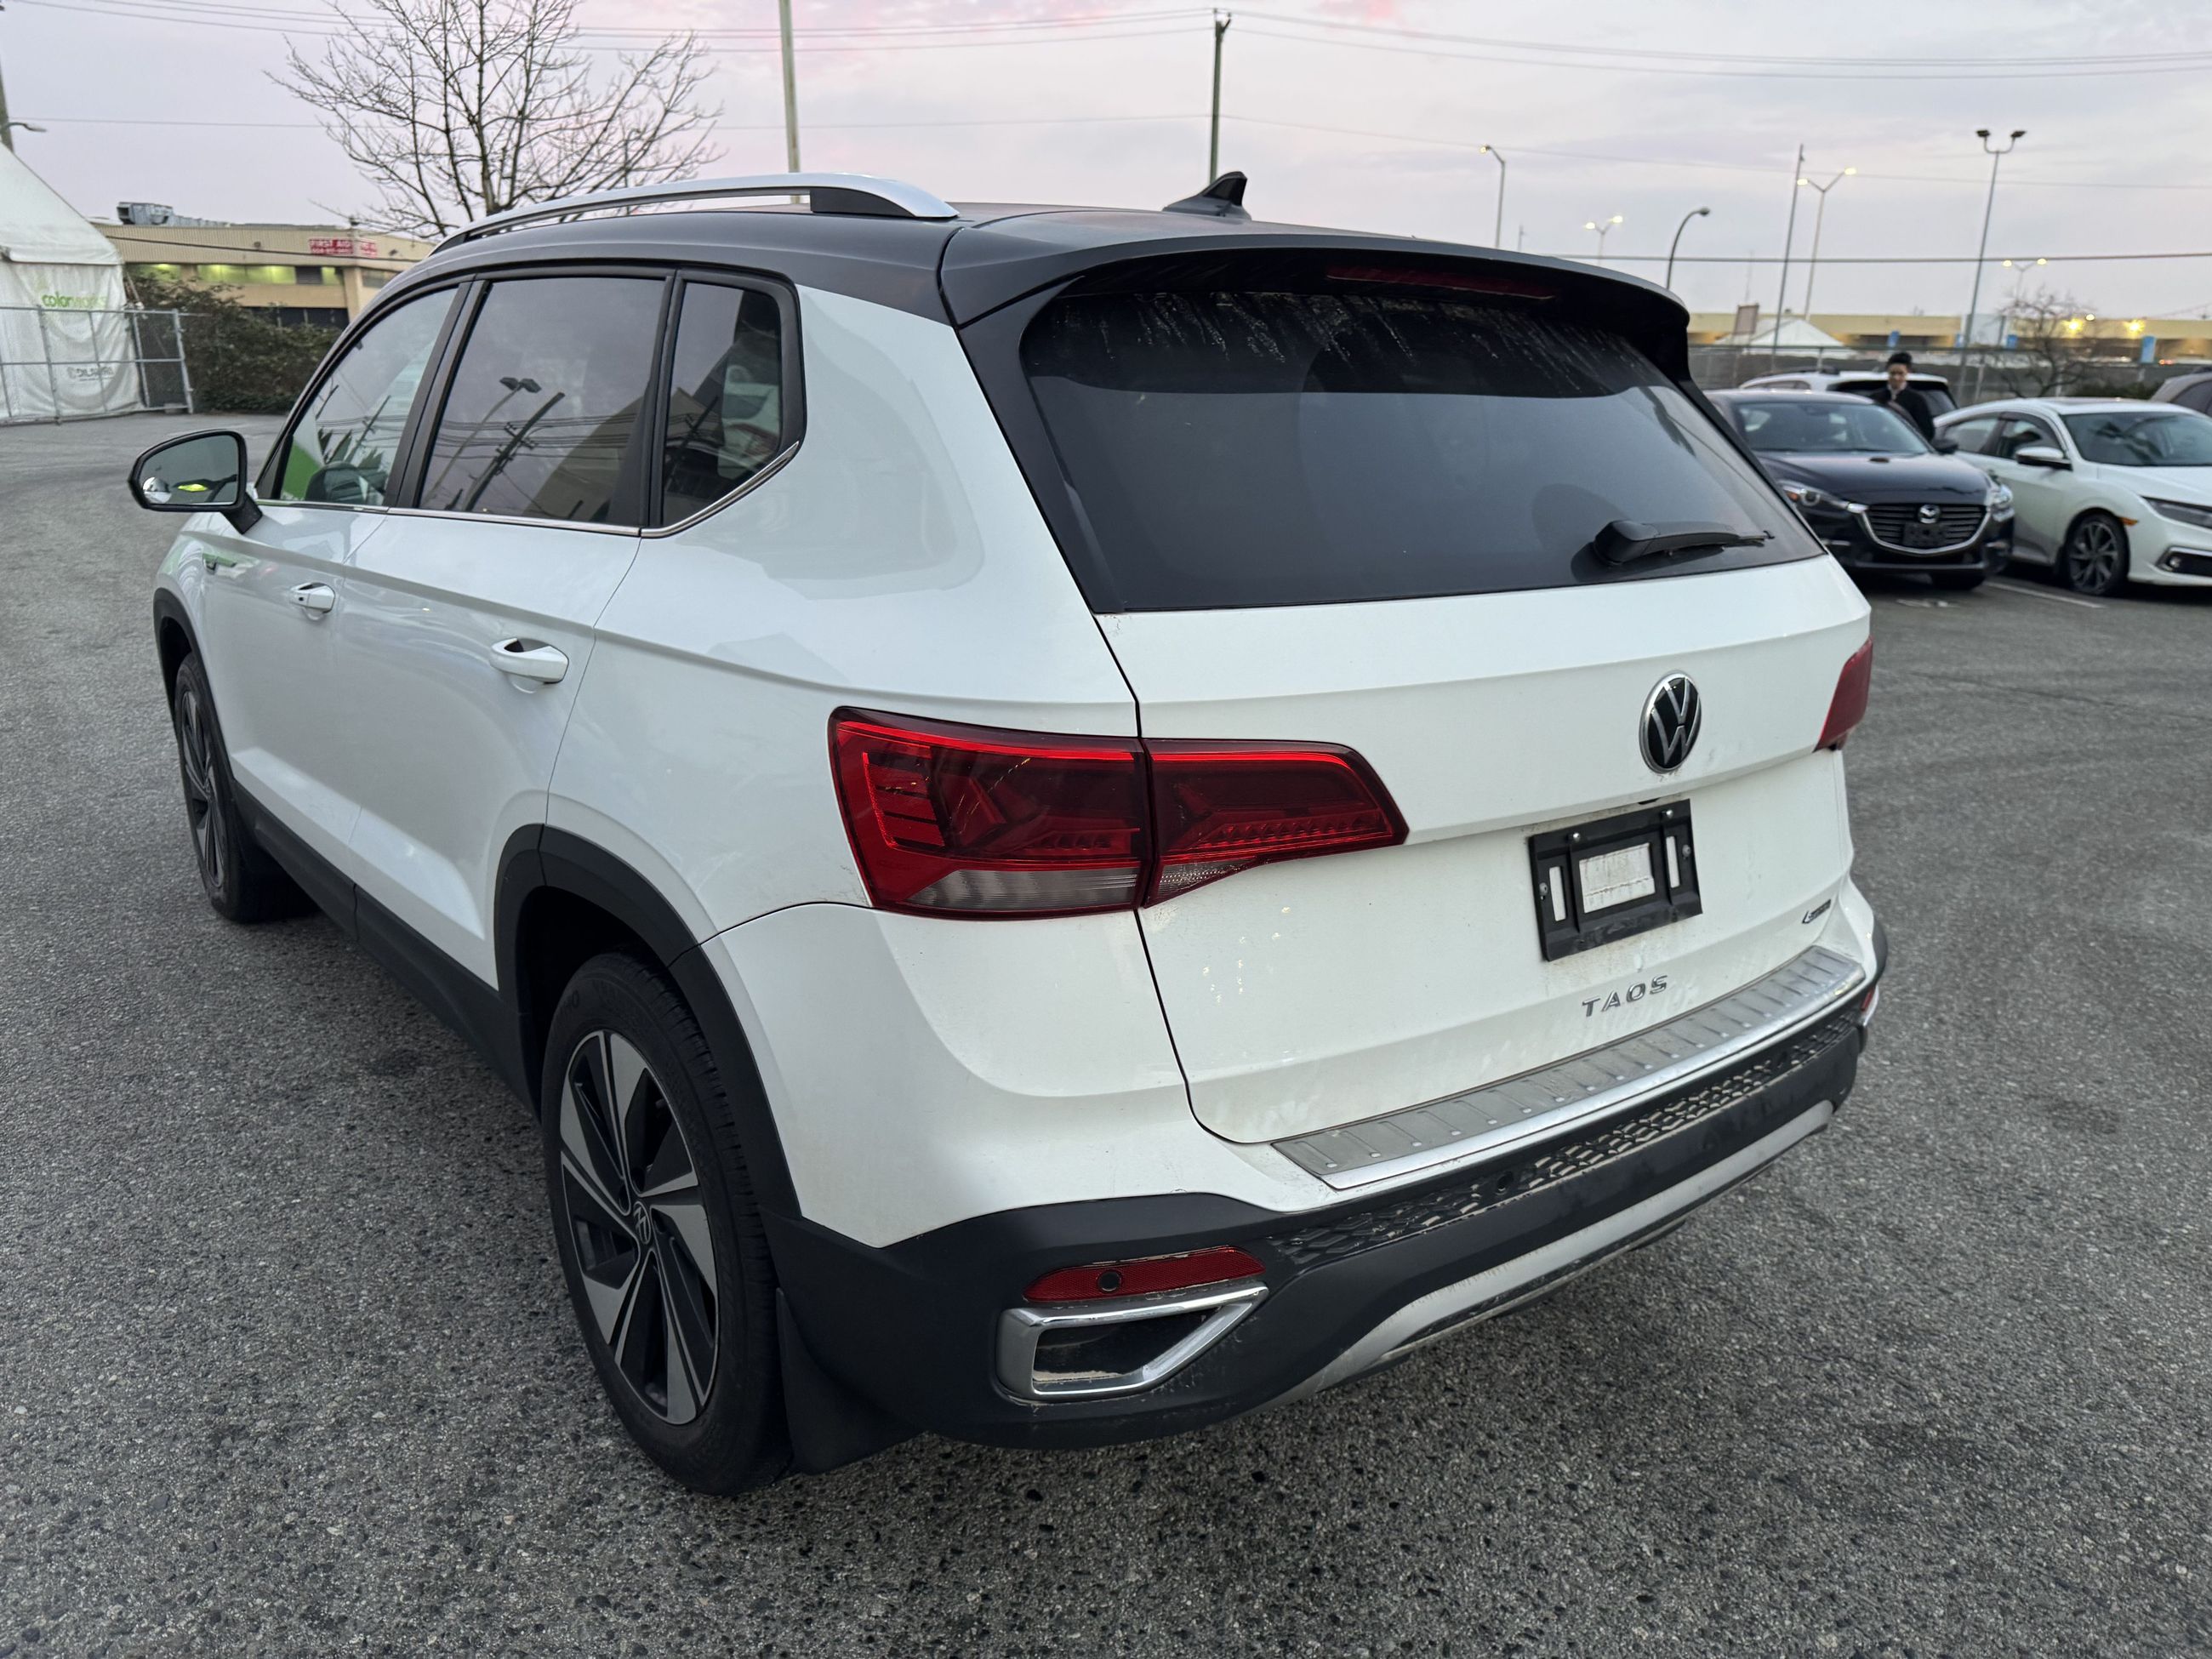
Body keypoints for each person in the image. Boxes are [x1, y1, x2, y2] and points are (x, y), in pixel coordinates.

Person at [1865, 351, 1937, 442]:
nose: (1896, 378)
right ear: (1888, 372)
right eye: (1893, 373)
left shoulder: (1917, 400)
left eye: (1900, 373)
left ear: (1908, 373)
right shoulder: (1875, 398)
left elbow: (1927, 431)